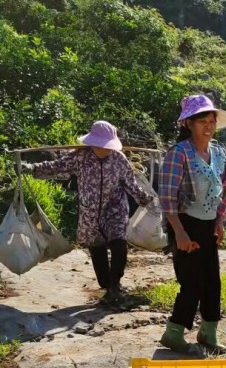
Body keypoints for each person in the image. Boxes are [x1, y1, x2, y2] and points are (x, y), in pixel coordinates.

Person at [29, 120, 152, 303]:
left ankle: (115, 284)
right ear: (92, 143)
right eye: (101, 146)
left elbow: (130, 184)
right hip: (91, 210)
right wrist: (33, 169)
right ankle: (106, 285)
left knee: (119, 242)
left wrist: (144, 198)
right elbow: (57, 166)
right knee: (96, 246)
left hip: (115, 208)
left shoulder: (119, 159)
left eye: (108, 146)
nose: (105, 149)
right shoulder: (80, 157)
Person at [159, 93, 226, 356]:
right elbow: (167, 197)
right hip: (185, 224)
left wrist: (220, 221)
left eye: (211, 120)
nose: (208, 126)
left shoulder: (218, 154)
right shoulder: (178, 154)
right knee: (191, 282)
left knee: (212, 281)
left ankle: (208, 332)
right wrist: (178, 232)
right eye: (202, 120)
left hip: (208, 225)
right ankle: (174, 333)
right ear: (188, 124)